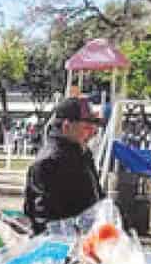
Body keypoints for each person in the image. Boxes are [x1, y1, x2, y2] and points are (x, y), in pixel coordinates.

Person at [23, 96, 104, 234]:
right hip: (63, 246)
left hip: (87, 237)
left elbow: (96, 197)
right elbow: (42, 217)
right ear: (66, 127)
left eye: (94, 127)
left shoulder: (82, 153)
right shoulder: (49, 162)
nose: (92, 133)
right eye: (86, 127)